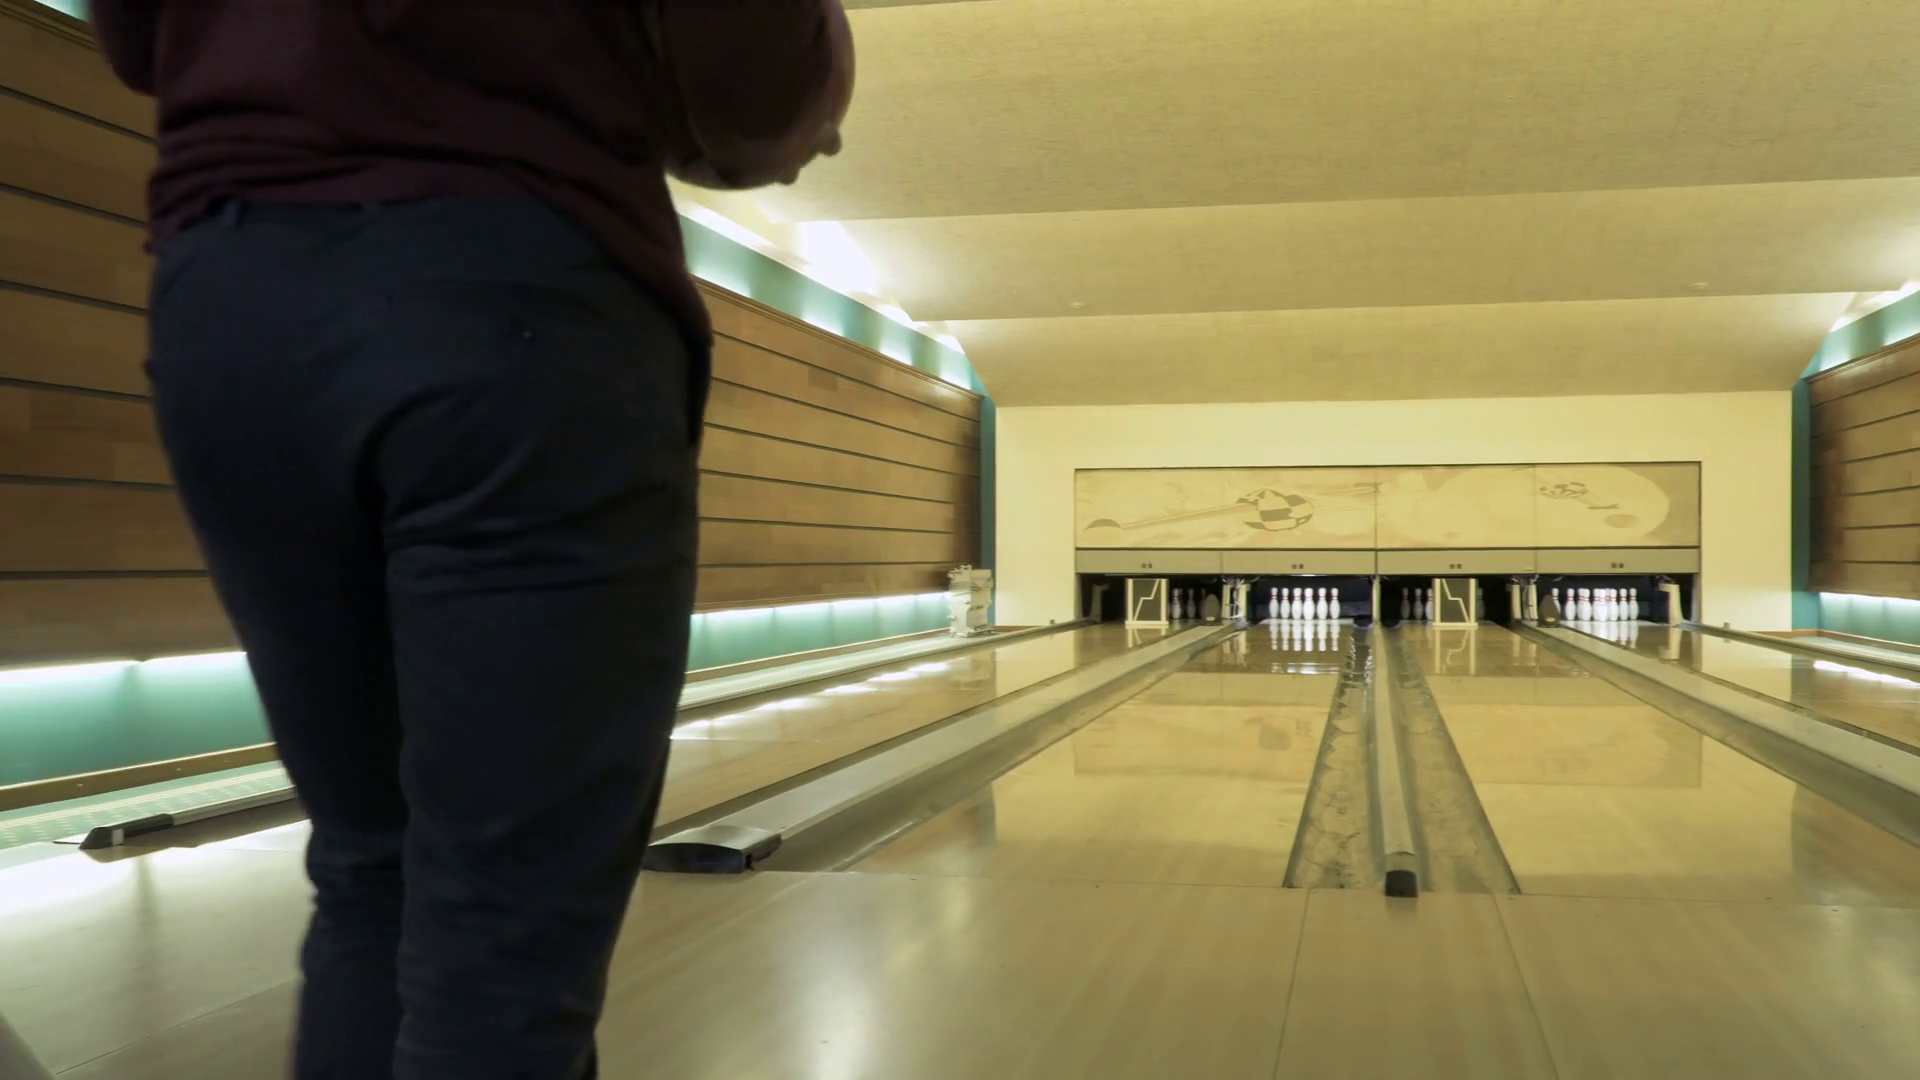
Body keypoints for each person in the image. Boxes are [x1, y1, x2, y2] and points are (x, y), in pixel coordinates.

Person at [88, 3, 854, 1077]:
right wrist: (804, 93)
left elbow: (133, 37)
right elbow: (753, 75)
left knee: (372, 867)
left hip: (233, 297)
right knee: (502, 941)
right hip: (508, 287)